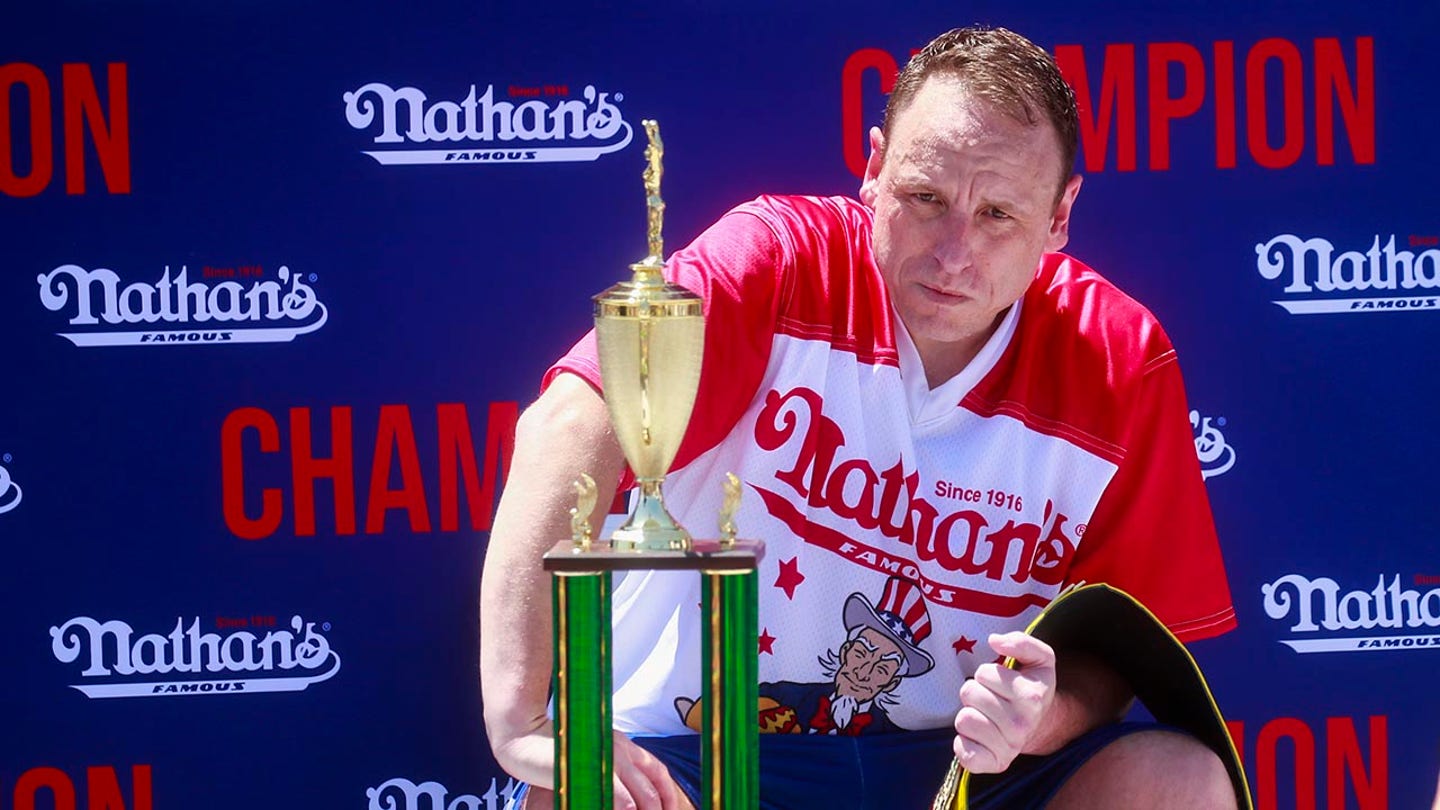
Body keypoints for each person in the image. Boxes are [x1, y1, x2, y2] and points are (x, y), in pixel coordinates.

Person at [481, 25, 1239, 810]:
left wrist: (1047, 713)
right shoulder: (778, 262)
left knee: (1176, 781)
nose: (954, 253)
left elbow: (1122, 647)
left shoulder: (1118, 359)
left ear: (1059, 215)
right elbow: (566, 426)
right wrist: (521, 720)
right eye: (927, 198)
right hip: (701, 747)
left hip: (957, 768)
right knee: (585, 793)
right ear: (874, 169)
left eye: (998, 215)